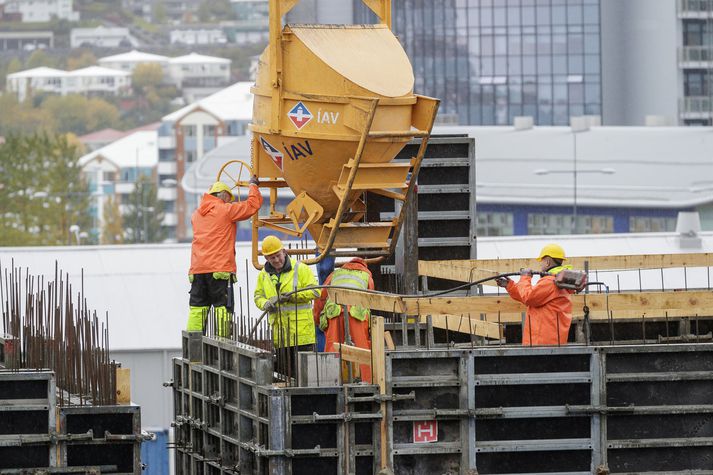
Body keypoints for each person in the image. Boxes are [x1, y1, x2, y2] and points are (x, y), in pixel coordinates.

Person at [187, 178, 262, 337]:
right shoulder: (225, 210)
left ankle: (193, 347)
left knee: (197, 309)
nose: (229, 202)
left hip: (198, 270)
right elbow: (251, 206)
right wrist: (253, 186)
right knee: (222, 308)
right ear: (222, 196)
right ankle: (222, 346)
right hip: (219, 269)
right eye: (228, 199)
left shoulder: (196, 215)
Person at [254, 235, 319, 377]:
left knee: (306, 377)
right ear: (266, 259)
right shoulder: (264, 275)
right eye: (272, 258)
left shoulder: (300, 268)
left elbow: (315, 291)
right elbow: (258, 296)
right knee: (286, 376)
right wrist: (266, 304)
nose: (277, 260)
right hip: (281, 336)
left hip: (302, 335)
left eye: (278, 255)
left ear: (284, 252)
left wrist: (294, 296)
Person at [496, 244, 574, 346]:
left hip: (542, 343)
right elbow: (532, 298)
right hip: (552, 341)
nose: (540, 265)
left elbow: (528, 298)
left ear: (547, 262)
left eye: (541, 261)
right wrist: (509, 285)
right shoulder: (559, 281)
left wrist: (525, 277)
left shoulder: (550, 282)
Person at [313, 258, 374, 382]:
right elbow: (371, 301)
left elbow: (321, 297)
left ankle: (329, 382)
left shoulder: (335, 274)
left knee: (332, 348)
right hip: (356, 314)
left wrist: (317, 318)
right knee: (361, 350)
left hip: (334, 312)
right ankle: (366, 381)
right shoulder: (367, 276)